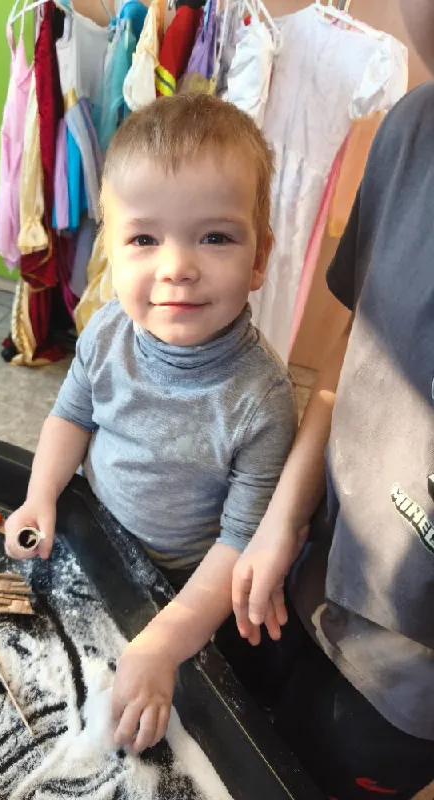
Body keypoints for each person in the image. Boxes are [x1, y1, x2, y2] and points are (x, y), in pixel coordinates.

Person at [5, 94, 297, 754]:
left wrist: (165, 643)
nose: (177, 268)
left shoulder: (262, 400)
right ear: (110, 251)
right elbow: (70, 416)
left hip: (189, 587)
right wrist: (41, 495)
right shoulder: (107, 330)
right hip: (96, 539)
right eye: (144, 239)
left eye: (215, 237)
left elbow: (241, 544)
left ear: (259, 258)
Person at [228, 2, 434, 796]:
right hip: (312, 565)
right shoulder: (412, 127)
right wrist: (284, 516)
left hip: (405, 675)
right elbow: (355, 345)